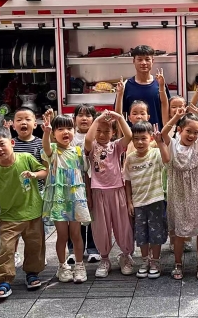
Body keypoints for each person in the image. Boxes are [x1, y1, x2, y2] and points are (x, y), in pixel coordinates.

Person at [0, 126, 47, 300]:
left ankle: (32, 273)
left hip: (33, 212)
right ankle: (4, 280)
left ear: (12, 142)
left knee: (35, 246)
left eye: (1, 144)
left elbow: (45, 172)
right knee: (6, 249)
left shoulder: (26, 158)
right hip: (8, 217)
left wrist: (34, 175)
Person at [161, 105, 198, 281]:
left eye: (195, 132)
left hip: (197, 191)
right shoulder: (172, 145)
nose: (192, 135)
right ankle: (178, 263)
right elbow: (163, 133)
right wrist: (176, 117)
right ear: (180, 130)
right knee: (179, 230)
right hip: (178, 193)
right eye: (188, 131)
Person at [41, 110, 93, 284]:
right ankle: (62, 266)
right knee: (62, 235)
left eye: (69, 128)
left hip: (76, 199)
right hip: (59, 199)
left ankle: (79, 265)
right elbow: (46, 148)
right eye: (60, 129)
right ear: (54, 133)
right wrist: (46, 132)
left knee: (76, 234)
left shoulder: (78, 151)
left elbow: (84, 172)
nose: (65, 132)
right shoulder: (54, 151)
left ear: (74, 130)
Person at [85, 110, 136, 276]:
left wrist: (119, 118)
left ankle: (125, 255)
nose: (102, 134)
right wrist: (98, 120)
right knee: (101, 227)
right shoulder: (92, 146)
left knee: (123, 225)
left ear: (113, 133)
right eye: (98, 130)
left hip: (118, 190)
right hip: (98, 192)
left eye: (107, 131)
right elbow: (87, 140)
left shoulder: (115, 146)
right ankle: (104, 258)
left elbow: (129, 136)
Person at [124, 121, 171, 279]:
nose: (139, 142)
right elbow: (127, 181)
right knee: (141, 234)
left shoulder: (156, 153)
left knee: (156, 233)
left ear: (150, 138)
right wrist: (129, 202)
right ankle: (145, 261)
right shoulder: (130, 159)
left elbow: (167, 160)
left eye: (143, 138)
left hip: (156, 200)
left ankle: (155, 261)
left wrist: (160, 143)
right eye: (136, 139)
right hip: (138, 203)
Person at [69, 104, 99, 263]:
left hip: (94, 180)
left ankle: (94, 248)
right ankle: (74, 249)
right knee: (75, 215)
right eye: (80, 115)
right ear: (74, 119)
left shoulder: (98, 136)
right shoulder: (70, 136)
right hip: (73, 181)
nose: (84, 119)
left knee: (94, 213)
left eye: (88, 115)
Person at [117, 45, 170, 128]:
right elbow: (120, 114)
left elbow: (166, 109)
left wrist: (164, 132)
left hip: (156, 133)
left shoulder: (160, 83)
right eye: (140, 59)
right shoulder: (126, 85)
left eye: (147, 59)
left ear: (152, 61)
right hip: (134, 134)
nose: (144, 63)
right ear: (133, 61)